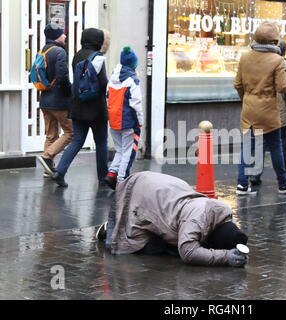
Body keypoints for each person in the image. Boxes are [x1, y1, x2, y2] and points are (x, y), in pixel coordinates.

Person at [96, 172, 249, 268]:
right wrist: (225, 257)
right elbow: (188, 253)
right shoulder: (197, 222)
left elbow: (230, 233)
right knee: (139, 245)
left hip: (163, 189)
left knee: (172, 242)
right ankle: (111, 227)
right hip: (142, 191)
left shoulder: (223, 212)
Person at [234, 22, 286, 196]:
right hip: (269, 112)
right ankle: (283, 184)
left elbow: (238, 84)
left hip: (249, 110)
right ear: (273, 41)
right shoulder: (277, 60)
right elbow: (282, 87)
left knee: (247, 147)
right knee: (276, 147)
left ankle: (242, 184)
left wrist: (247, 98)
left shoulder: (245, 57)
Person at [52, 28, 111, 188]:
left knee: (77, 140)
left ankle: (60, 171)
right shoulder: (98, 58)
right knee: (101, 142)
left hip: (78, 105)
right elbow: (103, 82)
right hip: (96, 108)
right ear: (97, 41)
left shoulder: (76, 55)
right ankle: (103, 177)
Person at [250, 40, 286, 187]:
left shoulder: (259, 67)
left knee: (259, 145)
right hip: (279, 117)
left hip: (259, 112)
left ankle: (254, 174)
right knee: (282, 146)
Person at [103, 47, 143, 190]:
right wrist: (140, 122)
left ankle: (112, 173)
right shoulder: (132, 81)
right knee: (128, 152)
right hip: (129, 122)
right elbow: (136, 104)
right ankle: (122, 180)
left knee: (120, 150)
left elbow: (107, 99)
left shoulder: (112, 79)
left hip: (113, 121)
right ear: (134, 64)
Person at [37, 24, 73, 178]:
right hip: (58, 101)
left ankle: (48, 169)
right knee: (71, 132)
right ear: (57, 36)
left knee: (51, 135)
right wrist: (69, 94)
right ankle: (47, 156)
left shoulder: (43, 50)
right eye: (62, 34)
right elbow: (63, 76)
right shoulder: (59, 51)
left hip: (45, 99)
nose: (65, 36)